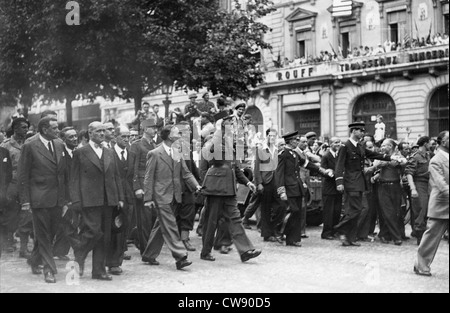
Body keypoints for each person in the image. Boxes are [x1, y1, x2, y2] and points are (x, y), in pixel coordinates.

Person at [200, 119, 261, 262]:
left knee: (235, 219)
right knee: (211, 222)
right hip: (216, 189)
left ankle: (245, 250)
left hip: (229, 189)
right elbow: (211, 157)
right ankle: (205, 251)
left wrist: (247, 182)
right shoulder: (213, 143)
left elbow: (235, 169)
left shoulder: (229, 145)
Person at [142, 125, 202, 270]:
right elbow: (148, 177)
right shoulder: (154, 153)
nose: (179, 134)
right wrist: (148, 198)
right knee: (170, 226)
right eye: (177, 132)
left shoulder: (177, 152)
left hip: (175, 195)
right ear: (169, 136)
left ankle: (149, 255)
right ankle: (180, 257)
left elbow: (186, 173)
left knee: (160, 226)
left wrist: (196, 186)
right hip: (161, 196)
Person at [71, 122, 125, 281]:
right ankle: (79, 254)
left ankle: (99, 270)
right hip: (89, 200)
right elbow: (74, 179)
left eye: (104, 131)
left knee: (105, 236)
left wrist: (120, 197)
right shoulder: (80, 152)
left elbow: (116, 177)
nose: (102, 133)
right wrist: (76, 200)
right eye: (99, 131)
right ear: (90, 133)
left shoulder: (109, 152)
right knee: (93, 232)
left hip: (109, 200)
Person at [18, 117, 69, 283]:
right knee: (44, 235)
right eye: (54, 128)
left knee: (50, 233)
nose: (58, 130)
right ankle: (49, 269)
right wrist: (25, 201)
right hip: (38, 199)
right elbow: (23, 175)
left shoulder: (60, 144)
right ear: (44, 130)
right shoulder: (30, 146)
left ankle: (34, 260)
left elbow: (63, 174)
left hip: (57, 199)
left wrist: (66, 199)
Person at [334, 121, 394, 247]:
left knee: (356, 209)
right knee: (355, 209)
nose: (362, 133)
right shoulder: (345, 146)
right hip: (350, 182)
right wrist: (339, 182)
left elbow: (372, 154)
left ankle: (349, 238)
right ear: (353, 131)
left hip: (359, 182)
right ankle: (340, 228)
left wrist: (389, 157)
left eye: (362, 130)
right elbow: (339, 166)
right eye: (360, 130)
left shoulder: (360, 146)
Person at [276, 131, 333, 247]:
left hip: (297, 187)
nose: (298, 142)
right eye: (296, 140)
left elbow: (308, 164)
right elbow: (279, 173)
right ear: (290, 141)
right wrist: (281, 191)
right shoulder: (283, 154)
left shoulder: (295, 154)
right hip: (288, 188)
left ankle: (292, 239)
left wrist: (322, 170)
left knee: (297, 214)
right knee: (294, 211)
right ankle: (279, 231)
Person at [414, 131, 449, 276]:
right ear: (442, 142)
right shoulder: (435, 160)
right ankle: (421, 265)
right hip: (441, 205)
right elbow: (441, 184)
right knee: (431, 238)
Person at [1, 118, 32, 257]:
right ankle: (8, 241)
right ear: (15, 129)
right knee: (11, 214)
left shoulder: (30, 143)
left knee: (27, 215)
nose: (26, 130)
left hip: (27, 183)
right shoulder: (6, 145)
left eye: (27, 127)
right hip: (12, 183)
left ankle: (24, 248)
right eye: (23, 127)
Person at [106, 126, 134, 275]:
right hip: (113, 195)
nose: (126, 139)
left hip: (128, 195)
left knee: (124, 226)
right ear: (115, 137)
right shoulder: (108, 153)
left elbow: (133, 175)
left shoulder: (131, 153)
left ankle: (118, 256)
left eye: (128, 136)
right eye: (123, 136)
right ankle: (113, 262)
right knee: (114, 227)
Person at [130, 119, 159, 254]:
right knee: (144, 219)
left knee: (152, 217)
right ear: (145, 128)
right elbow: (133, 168)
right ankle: (145, 249)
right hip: (142, 185)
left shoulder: (154, 144)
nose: (155, 130)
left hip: (153, 185)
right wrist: (136, 187)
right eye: (152, 128)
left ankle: (141, 240)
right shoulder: (137, 145)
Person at [372, 139, 407, 246]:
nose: (382, 147)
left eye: (385, 145)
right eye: (382, 146)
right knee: (388, 212)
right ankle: (396, 237)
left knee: (396, 211)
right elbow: (376, 164)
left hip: (395, 186)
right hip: (382, 186)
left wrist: (388, 162)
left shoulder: (398, 155)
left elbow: (404, 161)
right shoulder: (380, 155)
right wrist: (388, 163)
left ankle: (384, 234)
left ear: (391, 146)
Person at [52, 127, 79, 261]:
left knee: (68, 224)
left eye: (75, 136)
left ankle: (59, 251)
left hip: (76, 195)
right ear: (63, 140)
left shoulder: (78, 153)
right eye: (71, 137)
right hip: (65, 196)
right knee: (68, 224)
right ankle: (79, 250)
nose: (75, 139)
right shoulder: (60, 155)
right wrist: (65, 200)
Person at [254, 129, 284, 243]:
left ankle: (275, 229)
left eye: (274, 136)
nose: (272, 137)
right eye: (270, 135)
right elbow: (256, 168)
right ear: (266, 136)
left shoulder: (278, 150)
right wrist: (259, 183)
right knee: (265, 209)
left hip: (277, 182)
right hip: (266, 182)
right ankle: (267, 234)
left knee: (281, 205)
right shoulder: (261, 149)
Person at [405, 136, 432, 245]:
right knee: (420, 210)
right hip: (419, 184)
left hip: (428, 184)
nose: (431, 145)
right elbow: (409, 173)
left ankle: (424, 235)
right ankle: (420, 238)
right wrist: (413, 189)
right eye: (429, 143)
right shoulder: (415, 157)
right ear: (425, 144)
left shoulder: (428, 156)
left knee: (426, 210)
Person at [320, 137, 342, 240]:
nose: (338, 144)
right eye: (335, 143)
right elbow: (322, 170)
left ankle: (334, 231)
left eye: (339, 142)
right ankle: (326, 232)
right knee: (329, 211)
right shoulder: (326, 156)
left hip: (338, 188)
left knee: (337, 211)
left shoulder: (340, 155)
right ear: (330, 144)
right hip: (329, 188)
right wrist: (330, 173)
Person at [0, 147, 12, 258]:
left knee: (3, 218)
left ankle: (3, 243)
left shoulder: (4, 151)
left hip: (2, 190)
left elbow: (8, 172)